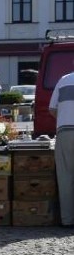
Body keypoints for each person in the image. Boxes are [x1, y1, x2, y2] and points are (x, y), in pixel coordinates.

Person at [49, 70, 74, 227]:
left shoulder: (63, 80)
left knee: (66, 177)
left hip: (65, 131)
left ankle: (68, 219)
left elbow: (52, 109)